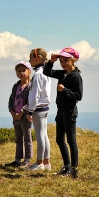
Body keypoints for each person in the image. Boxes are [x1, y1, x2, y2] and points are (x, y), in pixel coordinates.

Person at [43, 47, 82, 178]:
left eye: (66, 60)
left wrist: (64, 90)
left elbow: (78, 96)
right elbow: (46, 72)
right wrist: (51, 61)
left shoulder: (76, 76)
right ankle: (66, 166)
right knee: (60, 139)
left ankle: (74, 169)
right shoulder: (62, 73)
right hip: (61, 110)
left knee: (71, 140)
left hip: (70, 111)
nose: (63, 63)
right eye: (61, 60)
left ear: (74, 60)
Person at [24, 48, 52, 171]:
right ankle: (47, 162)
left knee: (40, 135)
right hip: (45, 107)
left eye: (30, 58)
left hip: (38, 108)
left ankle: (39, 163)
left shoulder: (38, 75)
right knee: (44, 135)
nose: (29, 60)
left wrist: (30, 111)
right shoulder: (46, 72)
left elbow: (35, 95)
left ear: (37, 59)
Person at [5, 61, 33, 169]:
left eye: (24, 70)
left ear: (29, 71)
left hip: (24, 117)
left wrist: (22, 112)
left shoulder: (30, 86)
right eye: (19, 71)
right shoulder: (16, 86)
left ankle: (27, 160)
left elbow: (31, 101)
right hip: (15, 116)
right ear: (16, 73)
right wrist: (12, 111)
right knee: (18, 139)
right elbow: (11, 99)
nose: (21, 73)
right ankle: (17, 160)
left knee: (27, 138)